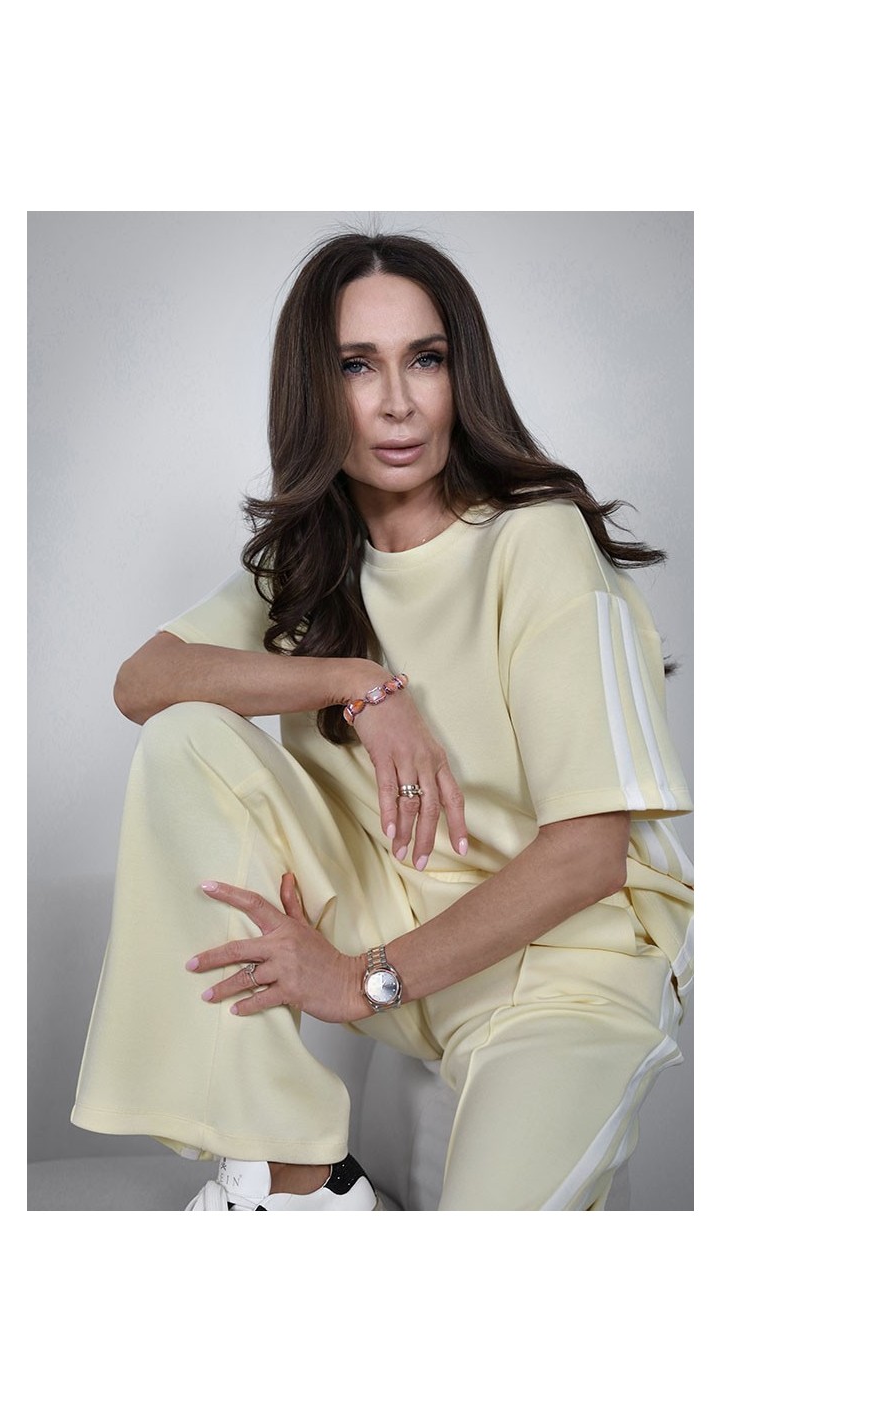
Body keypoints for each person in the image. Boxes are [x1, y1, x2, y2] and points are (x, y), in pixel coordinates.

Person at [70, 231, 694, 1211]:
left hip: (565, 973)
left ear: (461, 376)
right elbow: (144, 682)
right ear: (314, 392)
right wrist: (355, 682)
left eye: (425, 359)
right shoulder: (312, 562)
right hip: (392, 920)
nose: (397, 401)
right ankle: (298, 1175)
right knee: (188, 737)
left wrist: (362, 981)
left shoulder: (532, 539)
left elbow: (588, 857)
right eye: (356, 366)